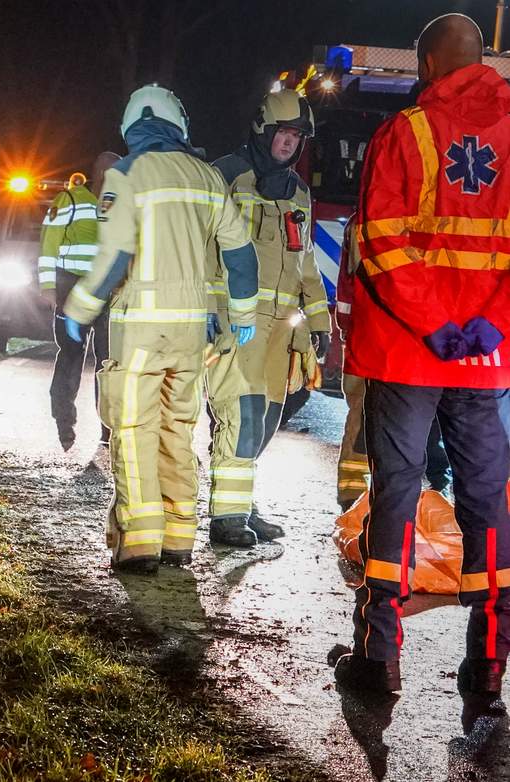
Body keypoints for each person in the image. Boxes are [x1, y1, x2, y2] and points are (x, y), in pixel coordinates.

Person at [334, 15, 510, 727]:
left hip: (412, 350)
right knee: (489, 504)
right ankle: (488, 666)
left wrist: (435, 322)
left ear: (433, 62)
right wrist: (491, 323)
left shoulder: (406, 133)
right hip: (488, 353)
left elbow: (380, 240)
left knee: (398, 497)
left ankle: (381, 659)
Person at [61, 84, 259, 574]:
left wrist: (79, 308)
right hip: (192, 332)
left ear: (131, 128)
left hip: (141, 329)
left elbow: (115, 255)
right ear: (180, 126)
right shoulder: (207, 177)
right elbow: (240, 253)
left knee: (133, 429)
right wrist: (245, 315)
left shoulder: (126, 174)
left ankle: (140, 544)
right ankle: (178, 539)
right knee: (178, 429)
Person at [203, 89, 331, 547]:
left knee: (270, 416)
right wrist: (207, 309)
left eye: (297, 136)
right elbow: (204, 249)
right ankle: (227, 517)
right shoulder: (226, 175)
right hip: (238, 320)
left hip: (282, 328)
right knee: (243, 414)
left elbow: (307, 261)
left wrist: (320, 322)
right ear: (264, 129)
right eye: (283, 133)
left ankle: (243, 501)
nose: (289, 143)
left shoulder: (298, 191)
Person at [334, 218, 453, 511]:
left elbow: (350, 286)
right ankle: (356, 498)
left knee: (373, 420)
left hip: (384, 337)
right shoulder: (373, 222)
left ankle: (367, 498)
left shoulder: (364, 221)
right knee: (366, 421)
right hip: (387, 338)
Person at [40, 152, 121, 451]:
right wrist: (48, 286)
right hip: (70, 286)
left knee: (109, 361)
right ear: (98, 174)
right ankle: (64, 422)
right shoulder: (71, 200)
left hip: (107, 291)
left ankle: (108, 430)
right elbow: (49, 243)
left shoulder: (119, 204)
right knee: (71, 354)